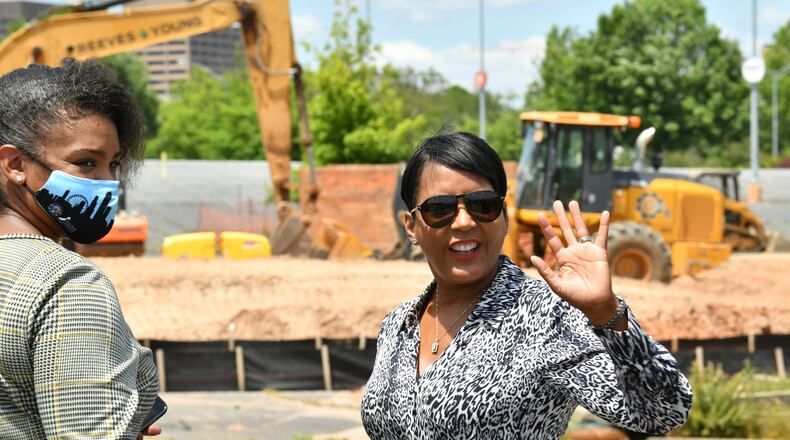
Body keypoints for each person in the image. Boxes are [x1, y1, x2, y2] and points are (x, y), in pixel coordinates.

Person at [361, 131, 692, 439]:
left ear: (503, 216)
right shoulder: (398, 324)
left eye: (483, 205)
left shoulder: (545, 318)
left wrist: (607, 312)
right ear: (411, 226)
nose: (464, 221)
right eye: (440, 209)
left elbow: (664, 411)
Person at [0, 59, 161, 439]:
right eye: (86, 163)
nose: (109, 182)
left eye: (114, 164)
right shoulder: (67, 284)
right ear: (15, 164)